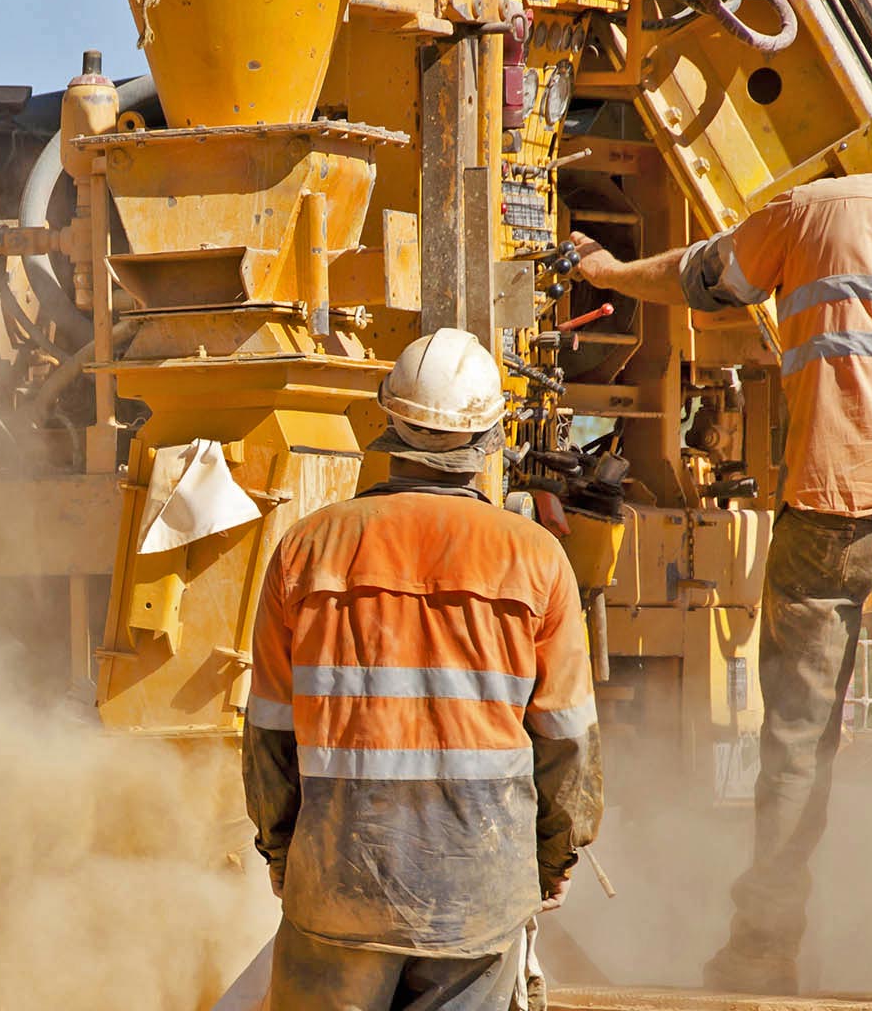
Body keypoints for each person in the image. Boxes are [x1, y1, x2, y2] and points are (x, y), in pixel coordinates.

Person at [569, 34, 872, 1006]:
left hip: (818, 510)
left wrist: (609, 271)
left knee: (794, 743)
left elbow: (702, 277)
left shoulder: (811, 211)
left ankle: (759, 953)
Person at [242, 328, 604, 1011]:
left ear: (390, 424)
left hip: (337, 885)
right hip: (476, 895)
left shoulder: (307, 548)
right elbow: (567, 741)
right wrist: (552, 860)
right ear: (491, 437)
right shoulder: (535, 558)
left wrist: (285, 852)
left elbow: (269, 731)